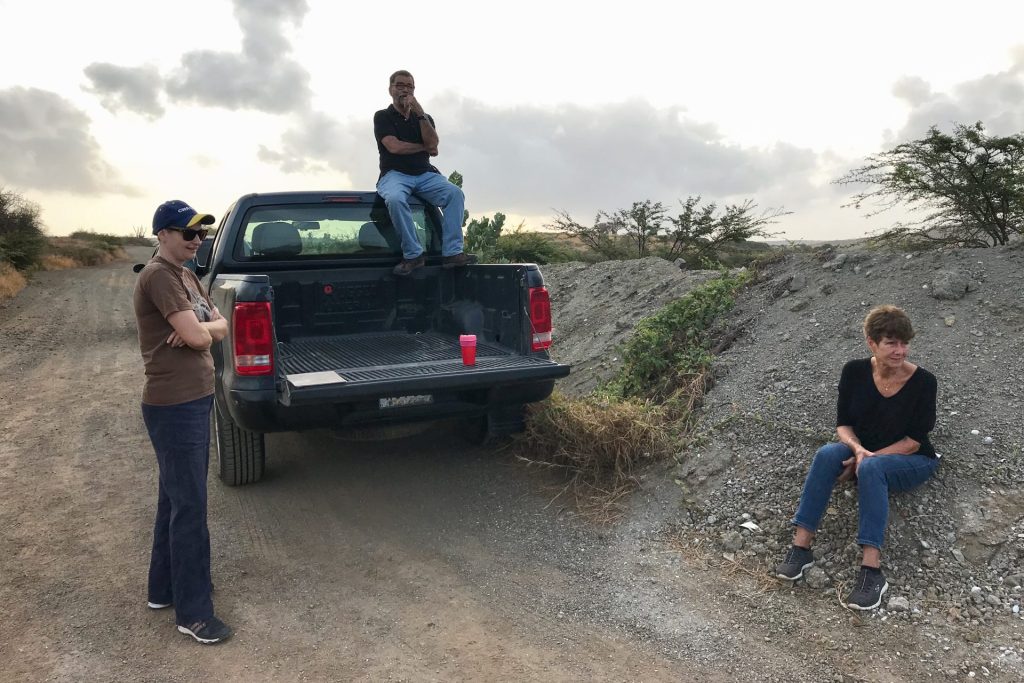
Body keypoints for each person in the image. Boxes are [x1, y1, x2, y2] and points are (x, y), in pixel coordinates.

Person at [774, 305, 939, 610]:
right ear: (871, 342)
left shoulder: (924, 382)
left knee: (873, 467)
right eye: (891, 343)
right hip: (865, 450)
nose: (900, 351)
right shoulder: (854, 371)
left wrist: (867, 458)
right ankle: (801, 548)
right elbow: (843, 425)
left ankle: (871, 571)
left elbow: (913, 442)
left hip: (912, 459)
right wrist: (858, 450)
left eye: (904, 343)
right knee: (826, 454)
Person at [133, 199, 233, 644]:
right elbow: (197, 333)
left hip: (194, 398)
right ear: (162, 235)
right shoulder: (158, 274)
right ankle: (193, 613)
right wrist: (199, 329)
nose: (196, 240)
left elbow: (221, 327)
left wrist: (202, 328)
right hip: (174, 405)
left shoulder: (187, 274)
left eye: (201, 234)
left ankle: (163, 589)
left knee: (173, 499)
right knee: (189, 506)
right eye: (187, 232)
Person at [373, 69, 472, 276]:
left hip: (424, 174)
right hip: (395, 174)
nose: (405, 90)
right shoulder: (382, 116)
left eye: (410, 86)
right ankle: (413, 255)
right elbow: (395, 147)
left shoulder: (424, 118)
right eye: (400, 85)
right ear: (391, 89)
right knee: (395, 199)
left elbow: (434, 143)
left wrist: (419, 112)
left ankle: (453, 253)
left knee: (455, 194)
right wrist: (424, 147)